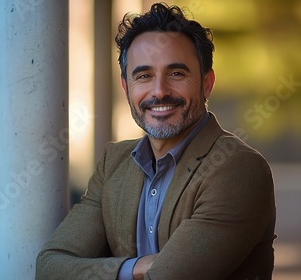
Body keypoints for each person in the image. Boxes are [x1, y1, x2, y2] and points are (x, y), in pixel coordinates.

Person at [35, 3, 276, 280]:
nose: (159, 92)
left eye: (176, 73)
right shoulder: (113, 163)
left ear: (206, 83)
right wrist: (138, 266)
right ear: (127, 87)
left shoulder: (237, 168)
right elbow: (50, 267)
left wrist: (116, 269)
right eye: (144, 76)